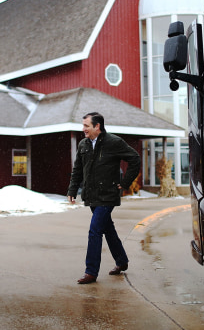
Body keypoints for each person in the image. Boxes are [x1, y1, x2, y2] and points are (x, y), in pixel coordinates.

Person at [67, 112, 141, 284]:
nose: (83, 129)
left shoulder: (114, 142)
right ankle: (122, 261)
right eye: (83, 125)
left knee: (95, 230)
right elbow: (77, 169)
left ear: (97, 126)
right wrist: (72, 189)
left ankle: (91, 272)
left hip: (108, 195)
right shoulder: (83, 145)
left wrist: (125, 182)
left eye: (86, 125)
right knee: (107, 229)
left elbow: (135, 159)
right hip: (91, 195)